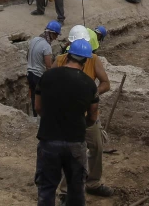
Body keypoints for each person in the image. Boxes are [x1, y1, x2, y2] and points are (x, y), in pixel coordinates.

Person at [35, 38, 100, 206]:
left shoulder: (47, 76)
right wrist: (82, 125)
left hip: (48, 140)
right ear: (85, 61)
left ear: (68, 56)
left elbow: (38, 107)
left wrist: (51, 119)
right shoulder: (89, 84)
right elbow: (93, 116)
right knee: (76, 190)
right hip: (75, 142)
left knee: (46, 189)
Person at [54, 26, 112, 199]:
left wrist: (92, 93)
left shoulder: (93, 60)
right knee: (69, 152)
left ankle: (93, 182)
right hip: (67, 117)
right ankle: (65, 191)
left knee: (97, 147)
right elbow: (50, 83)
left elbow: (105, 83)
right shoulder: (60, 60)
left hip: (88, 115)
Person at [27, 21, 62, 117]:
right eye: (56, 35)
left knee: (34, 97)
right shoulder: (46, 46)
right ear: (51, 33)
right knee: (43, 98)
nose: (56, 37)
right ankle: (43, 117)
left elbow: (28, 55)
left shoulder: (34, 39)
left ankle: (35, 116)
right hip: (38, 76)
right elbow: (48, 66)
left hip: (29, 73)